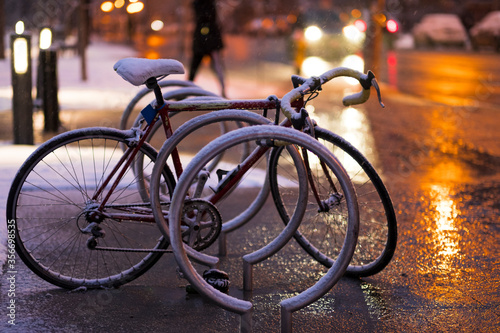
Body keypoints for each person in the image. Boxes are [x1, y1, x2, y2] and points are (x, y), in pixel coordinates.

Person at [188, 0, 226, 97]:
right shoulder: (206, 4)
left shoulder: (202, 4)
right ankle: (186, 90)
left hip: (208, 37)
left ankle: (186, 90)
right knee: (196, 66)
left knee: (197, 66)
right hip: (208, 37)